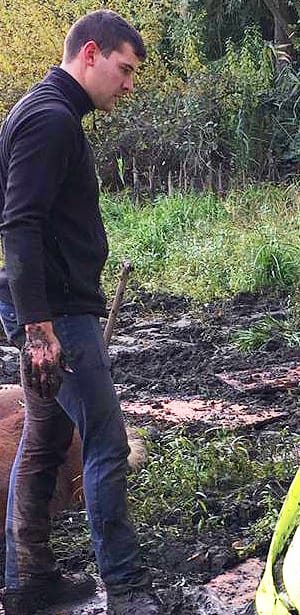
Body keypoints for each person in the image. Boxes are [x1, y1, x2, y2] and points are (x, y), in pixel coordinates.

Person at [0, 10, 159, 615]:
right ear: (89, 53)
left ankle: (28, 580)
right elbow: (19, 223)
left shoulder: (39, 110)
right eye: (124, 70)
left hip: (49, 306)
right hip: (58, 315)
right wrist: (39, 328)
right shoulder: (50, 120)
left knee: (44, 438)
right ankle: (126, 588)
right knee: (106, 442)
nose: (128, 84)